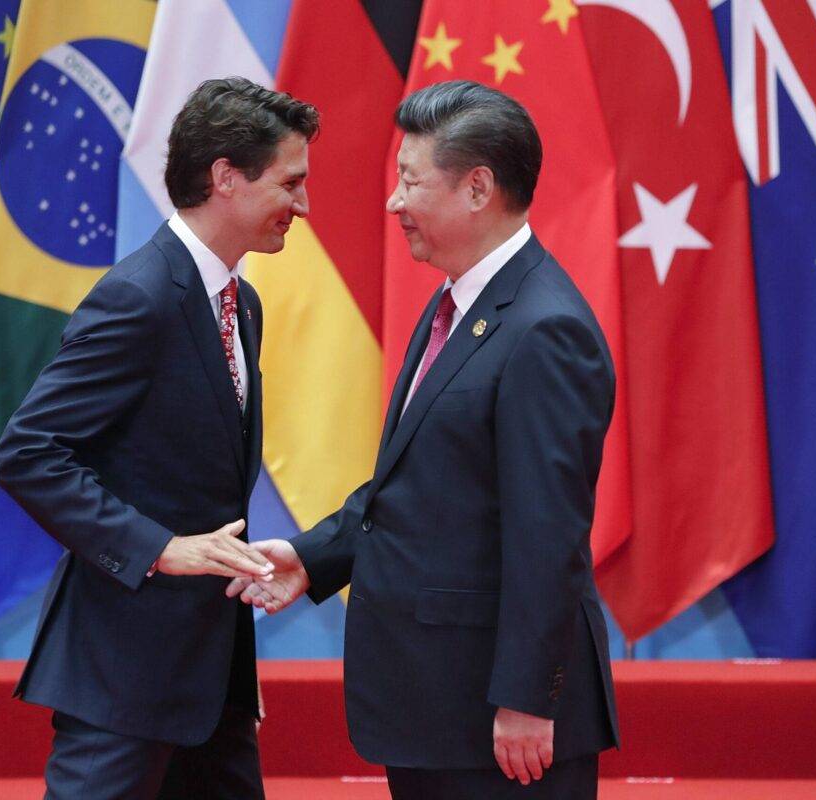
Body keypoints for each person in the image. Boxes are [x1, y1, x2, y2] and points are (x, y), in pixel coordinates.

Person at [230, 80, 619, 799]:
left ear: (478, 188)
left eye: (410, 180)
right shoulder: (457, 302)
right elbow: (420, 484)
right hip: (439, 703)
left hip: (499, 723)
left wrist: (530, 698)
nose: (394, 202)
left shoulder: (545, 330)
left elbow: (548, 533)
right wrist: (312, 557)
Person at [0, 76, 317, 800]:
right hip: (124, 674)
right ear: (226, 177)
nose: (303, 205)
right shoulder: (138, 296)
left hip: (212, 680)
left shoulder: (243, 302)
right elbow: (29, 452)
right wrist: (161, 549)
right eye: (291, 183)